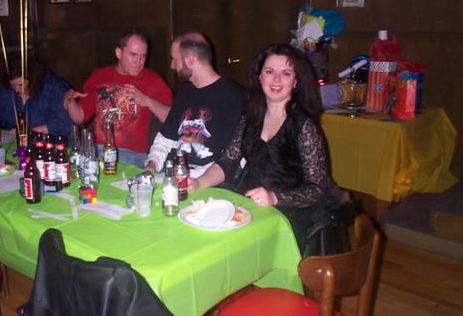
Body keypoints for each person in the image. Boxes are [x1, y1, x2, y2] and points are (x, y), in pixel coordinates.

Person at [189, 43, 354, 256]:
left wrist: (275, 198)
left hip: (295, 214)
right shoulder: (250, 116)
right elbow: (228, 160)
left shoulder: (304, 126)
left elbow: (317, 188)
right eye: (269, 72)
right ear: (260, 77)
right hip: (254, 205)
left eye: (286, 73)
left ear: (296, 81)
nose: (276, 79)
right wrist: (199, 182)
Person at [63, 31, 173, 167]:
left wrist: (148, 101)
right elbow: (79, 117)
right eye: (133, 55)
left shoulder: (153, 80)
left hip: (131, 156)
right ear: (118, 53)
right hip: (97, 152)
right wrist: (70, 102)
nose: (139, 62)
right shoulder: (99, 76)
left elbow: (172, 120)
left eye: (143, 56)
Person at [144, 32, 246, 178]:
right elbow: (165, 139)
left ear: (190, 60)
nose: (172, 65)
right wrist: (152, 164)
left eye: (175, 59)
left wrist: (188, 178)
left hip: (206, 182)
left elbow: (229, 159)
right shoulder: (184, 93)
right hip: (172, 174)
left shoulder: (234, 96)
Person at [0, 59, 73, 137]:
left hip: (50, 141)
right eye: (13, 86)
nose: (16, 89)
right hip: (12, 140)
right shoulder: (5, 91)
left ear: (32, 80)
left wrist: (30, 132)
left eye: (20, 85)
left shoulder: (54, 88)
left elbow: (66, 124)